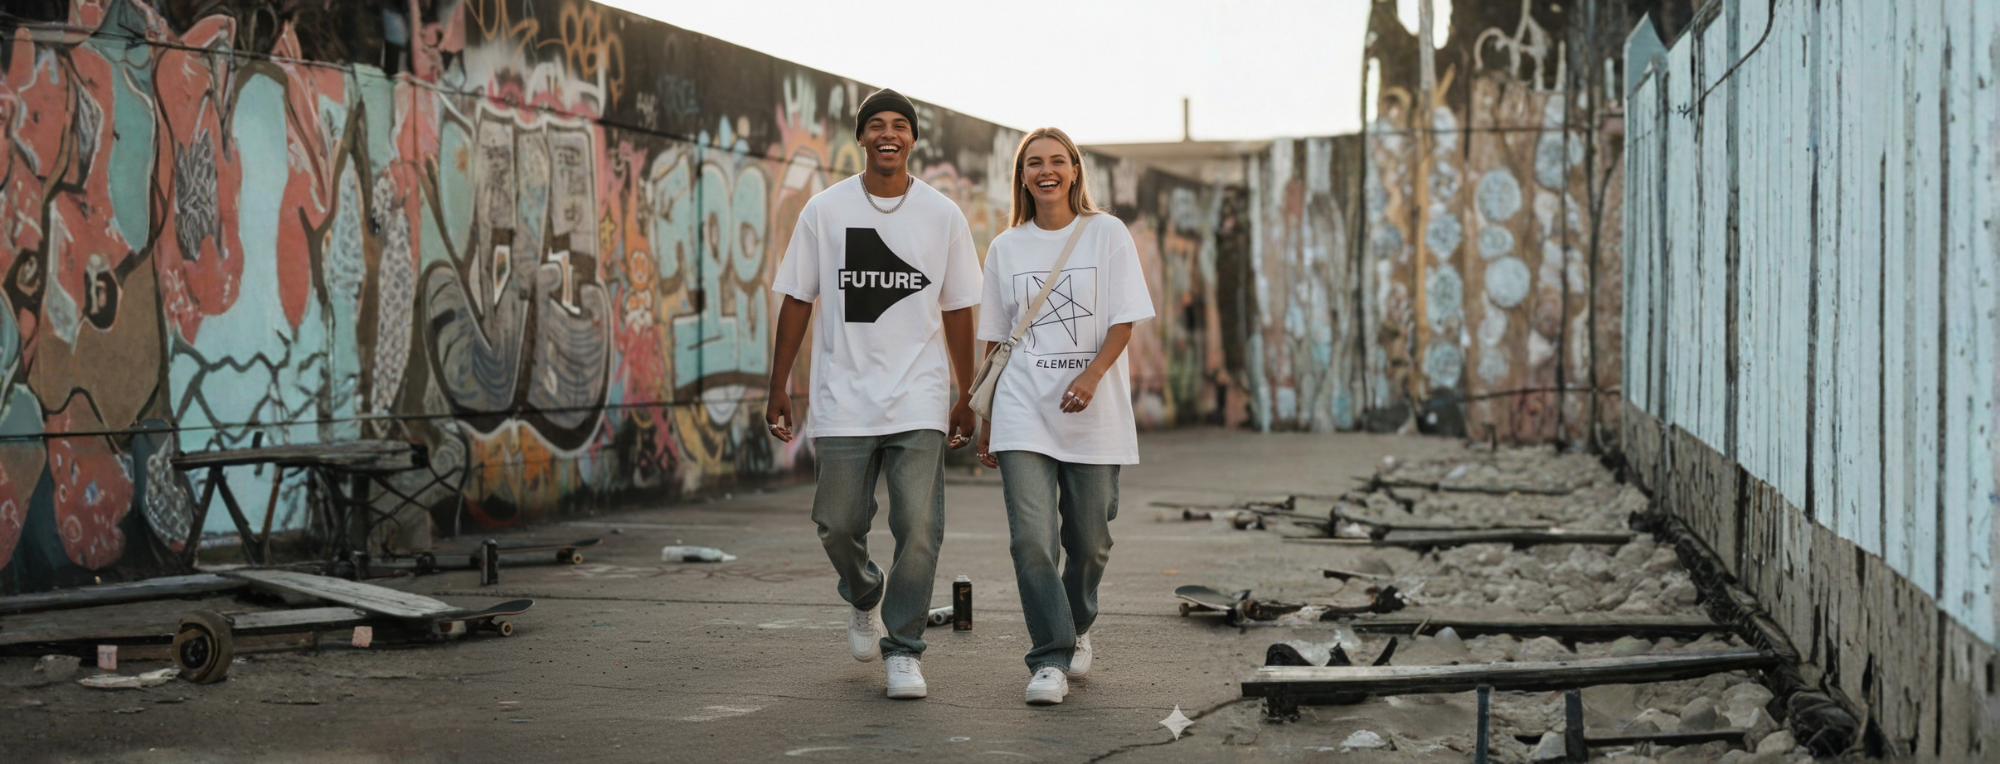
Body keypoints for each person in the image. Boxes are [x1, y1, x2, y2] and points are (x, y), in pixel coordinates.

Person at [766, 88, 980, 700]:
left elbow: (959, 308)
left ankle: (904, 648)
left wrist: (966, 393)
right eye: (876, 125)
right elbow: (798, 298)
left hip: (918, 396)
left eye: (900, 125)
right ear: (860, 137)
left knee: (920, 525)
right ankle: (864, 592)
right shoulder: (825, 210)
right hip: (843, 397)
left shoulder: (942, 214)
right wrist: (778, 384)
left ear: (913, 138)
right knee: (837, 524)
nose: (889, 134)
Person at [974, 127, 1154, 705]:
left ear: (1075, 170)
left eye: (1057, 161)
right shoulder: (1006, 247)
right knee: (1032, 540)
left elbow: (1124, 318)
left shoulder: (1107, 233)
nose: (1046, 170)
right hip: (1023, 408)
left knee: (1091, 540)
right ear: (1022, 176)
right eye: (1034, 163)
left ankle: (1075, 624)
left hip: (1093, 412)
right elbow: (995, 339)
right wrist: (987, 419)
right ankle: (1049, 656)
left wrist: (1092, 375)